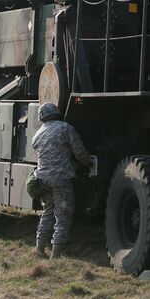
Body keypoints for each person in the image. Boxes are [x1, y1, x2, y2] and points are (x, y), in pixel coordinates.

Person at [32, 103, 91, 259]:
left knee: (47, 212)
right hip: (61, 179)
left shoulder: (38, 134)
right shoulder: (65, 128)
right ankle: (56, 256)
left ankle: (39, 250)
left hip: (43, 179)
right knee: (63, 215)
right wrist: (86, 163)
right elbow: (79, 151)